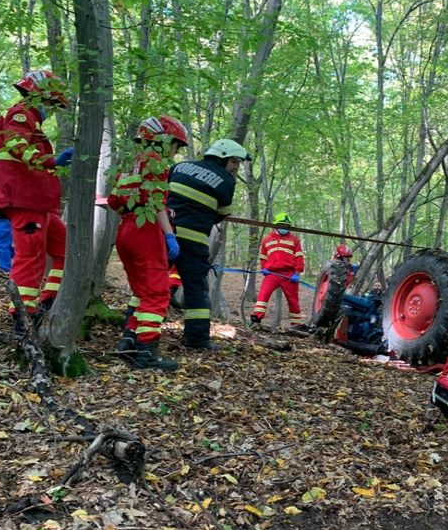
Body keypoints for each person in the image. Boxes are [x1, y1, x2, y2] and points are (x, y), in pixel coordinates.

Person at [0, 70, 73, 328]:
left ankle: (48, 302)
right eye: (52, 104)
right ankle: (22, 316)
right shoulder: (20, 114)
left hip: (38, 203)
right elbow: (17, 146)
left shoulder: (31, 122)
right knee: (30, 255)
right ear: (40, 96)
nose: (52, 110)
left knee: (65, 249)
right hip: (24, 199)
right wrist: (50, 161)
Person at [107, 116, 189, 371]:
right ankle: (146, 353)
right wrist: (169, 235)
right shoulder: (154, 162)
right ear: (164, 140)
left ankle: (129, 341)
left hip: (125, 228)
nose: (175, 151)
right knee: (157, 293)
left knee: (142, 292)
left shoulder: (130, 164)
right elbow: (157, 203)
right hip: (146, 229)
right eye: (176, 145)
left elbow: (113, 201)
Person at [167, 138, 251, 350]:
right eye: (234, 161)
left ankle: (133, 331)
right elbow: (222, 214)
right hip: (194, 240)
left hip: (165, 235)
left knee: (151, 281)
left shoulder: (179, 166)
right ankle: (197, 340)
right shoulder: (226, 180)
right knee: (196, 290)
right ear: (222, 158)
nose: (235, 167)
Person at [250, 212, 307, 329]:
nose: (284, 228)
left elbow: (299, 257)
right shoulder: (266, 240)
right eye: (281, 225)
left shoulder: (294, 240)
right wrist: (264, 268)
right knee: (263, 295)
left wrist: (297, 272)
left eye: (287, 226)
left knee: (293, 300)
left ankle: (296, 325)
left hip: (289, 275)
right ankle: (256, 319)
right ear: (275, 225)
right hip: (272, 274)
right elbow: (263, 257)